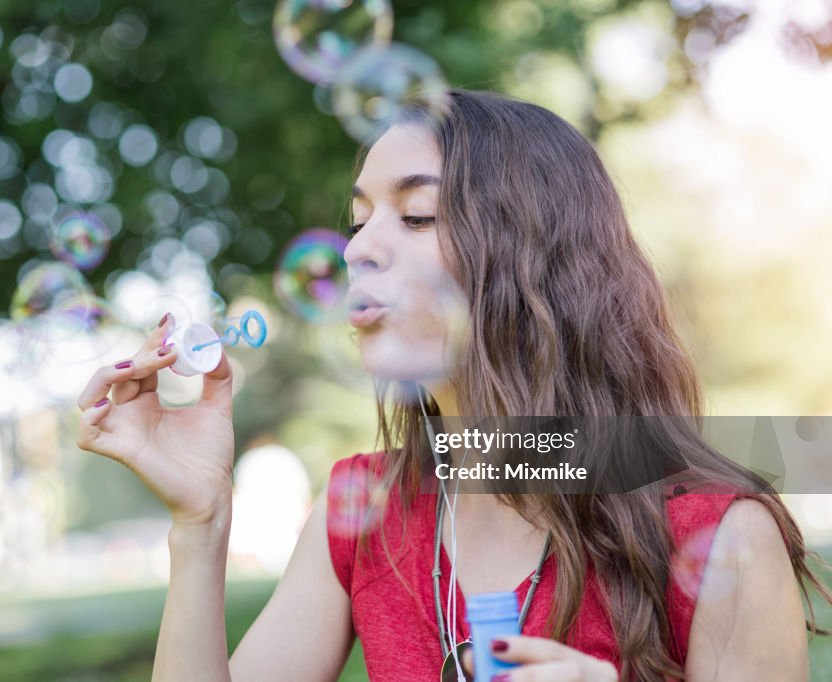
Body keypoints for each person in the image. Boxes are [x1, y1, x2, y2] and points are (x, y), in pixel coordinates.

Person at [75, 89, 829, 681]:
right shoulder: (365, 512)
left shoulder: (718, 533)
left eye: (416, 214)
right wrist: (200, 522)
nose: (359, 249)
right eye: (359, 219)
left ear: (537, 260)